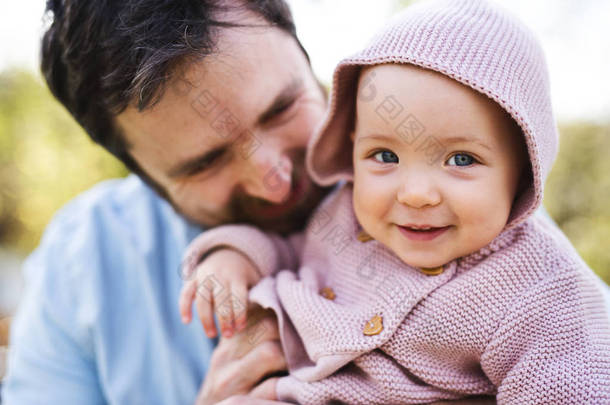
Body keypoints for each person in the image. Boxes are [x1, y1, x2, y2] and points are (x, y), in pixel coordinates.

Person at [179, 0, 610, 403]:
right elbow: (290, 251)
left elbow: (573, 385)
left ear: (523, 171)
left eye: (462, 159)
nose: (415, 193)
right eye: (384, 156)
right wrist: (231, 257)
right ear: (352, 145)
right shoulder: (345, 211)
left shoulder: (540, 288)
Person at [1, 0, 331, 404]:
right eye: (207, 162)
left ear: (302, 51)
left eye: (281, 108)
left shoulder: (424, 168)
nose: (274, 182)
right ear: (141, 173)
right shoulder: (82, 262)